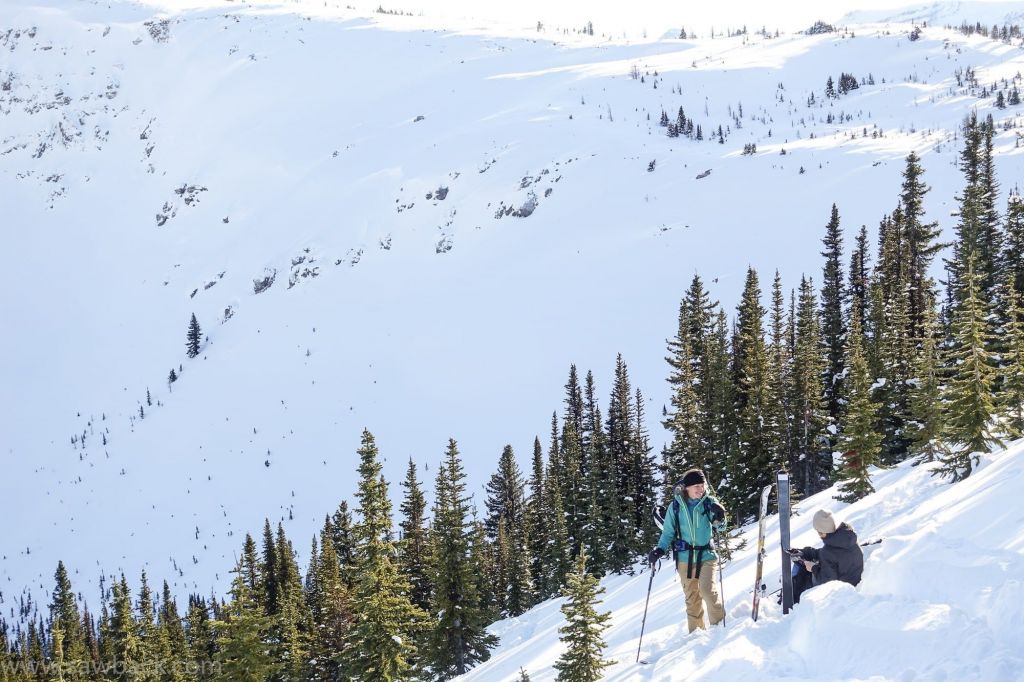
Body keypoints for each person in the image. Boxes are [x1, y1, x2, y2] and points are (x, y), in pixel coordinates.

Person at [646, 468, 728, 632]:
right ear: (687, 488)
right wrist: (659, 550)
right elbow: (668, 532)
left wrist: (721, 515)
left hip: (706, 555)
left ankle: (720, 630)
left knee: (707, 590)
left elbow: (721, 527)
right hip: (685, 558)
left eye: (702, 485)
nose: (700, 489)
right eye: (696, 486)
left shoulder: (709, 502)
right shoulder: (675, 506)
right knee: (692, 599)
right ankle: (696, 635)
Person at [792, 509, 864, 597]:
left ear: (822, 533)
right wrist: (806, 552)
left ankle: (795, 601)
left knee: (802, 572)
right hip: (853, 582)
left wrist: (813, 568)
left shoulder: (828, 552)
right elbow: (832, 555)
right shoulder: (848, 538)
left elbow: (827, 582)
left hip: (841, 594)